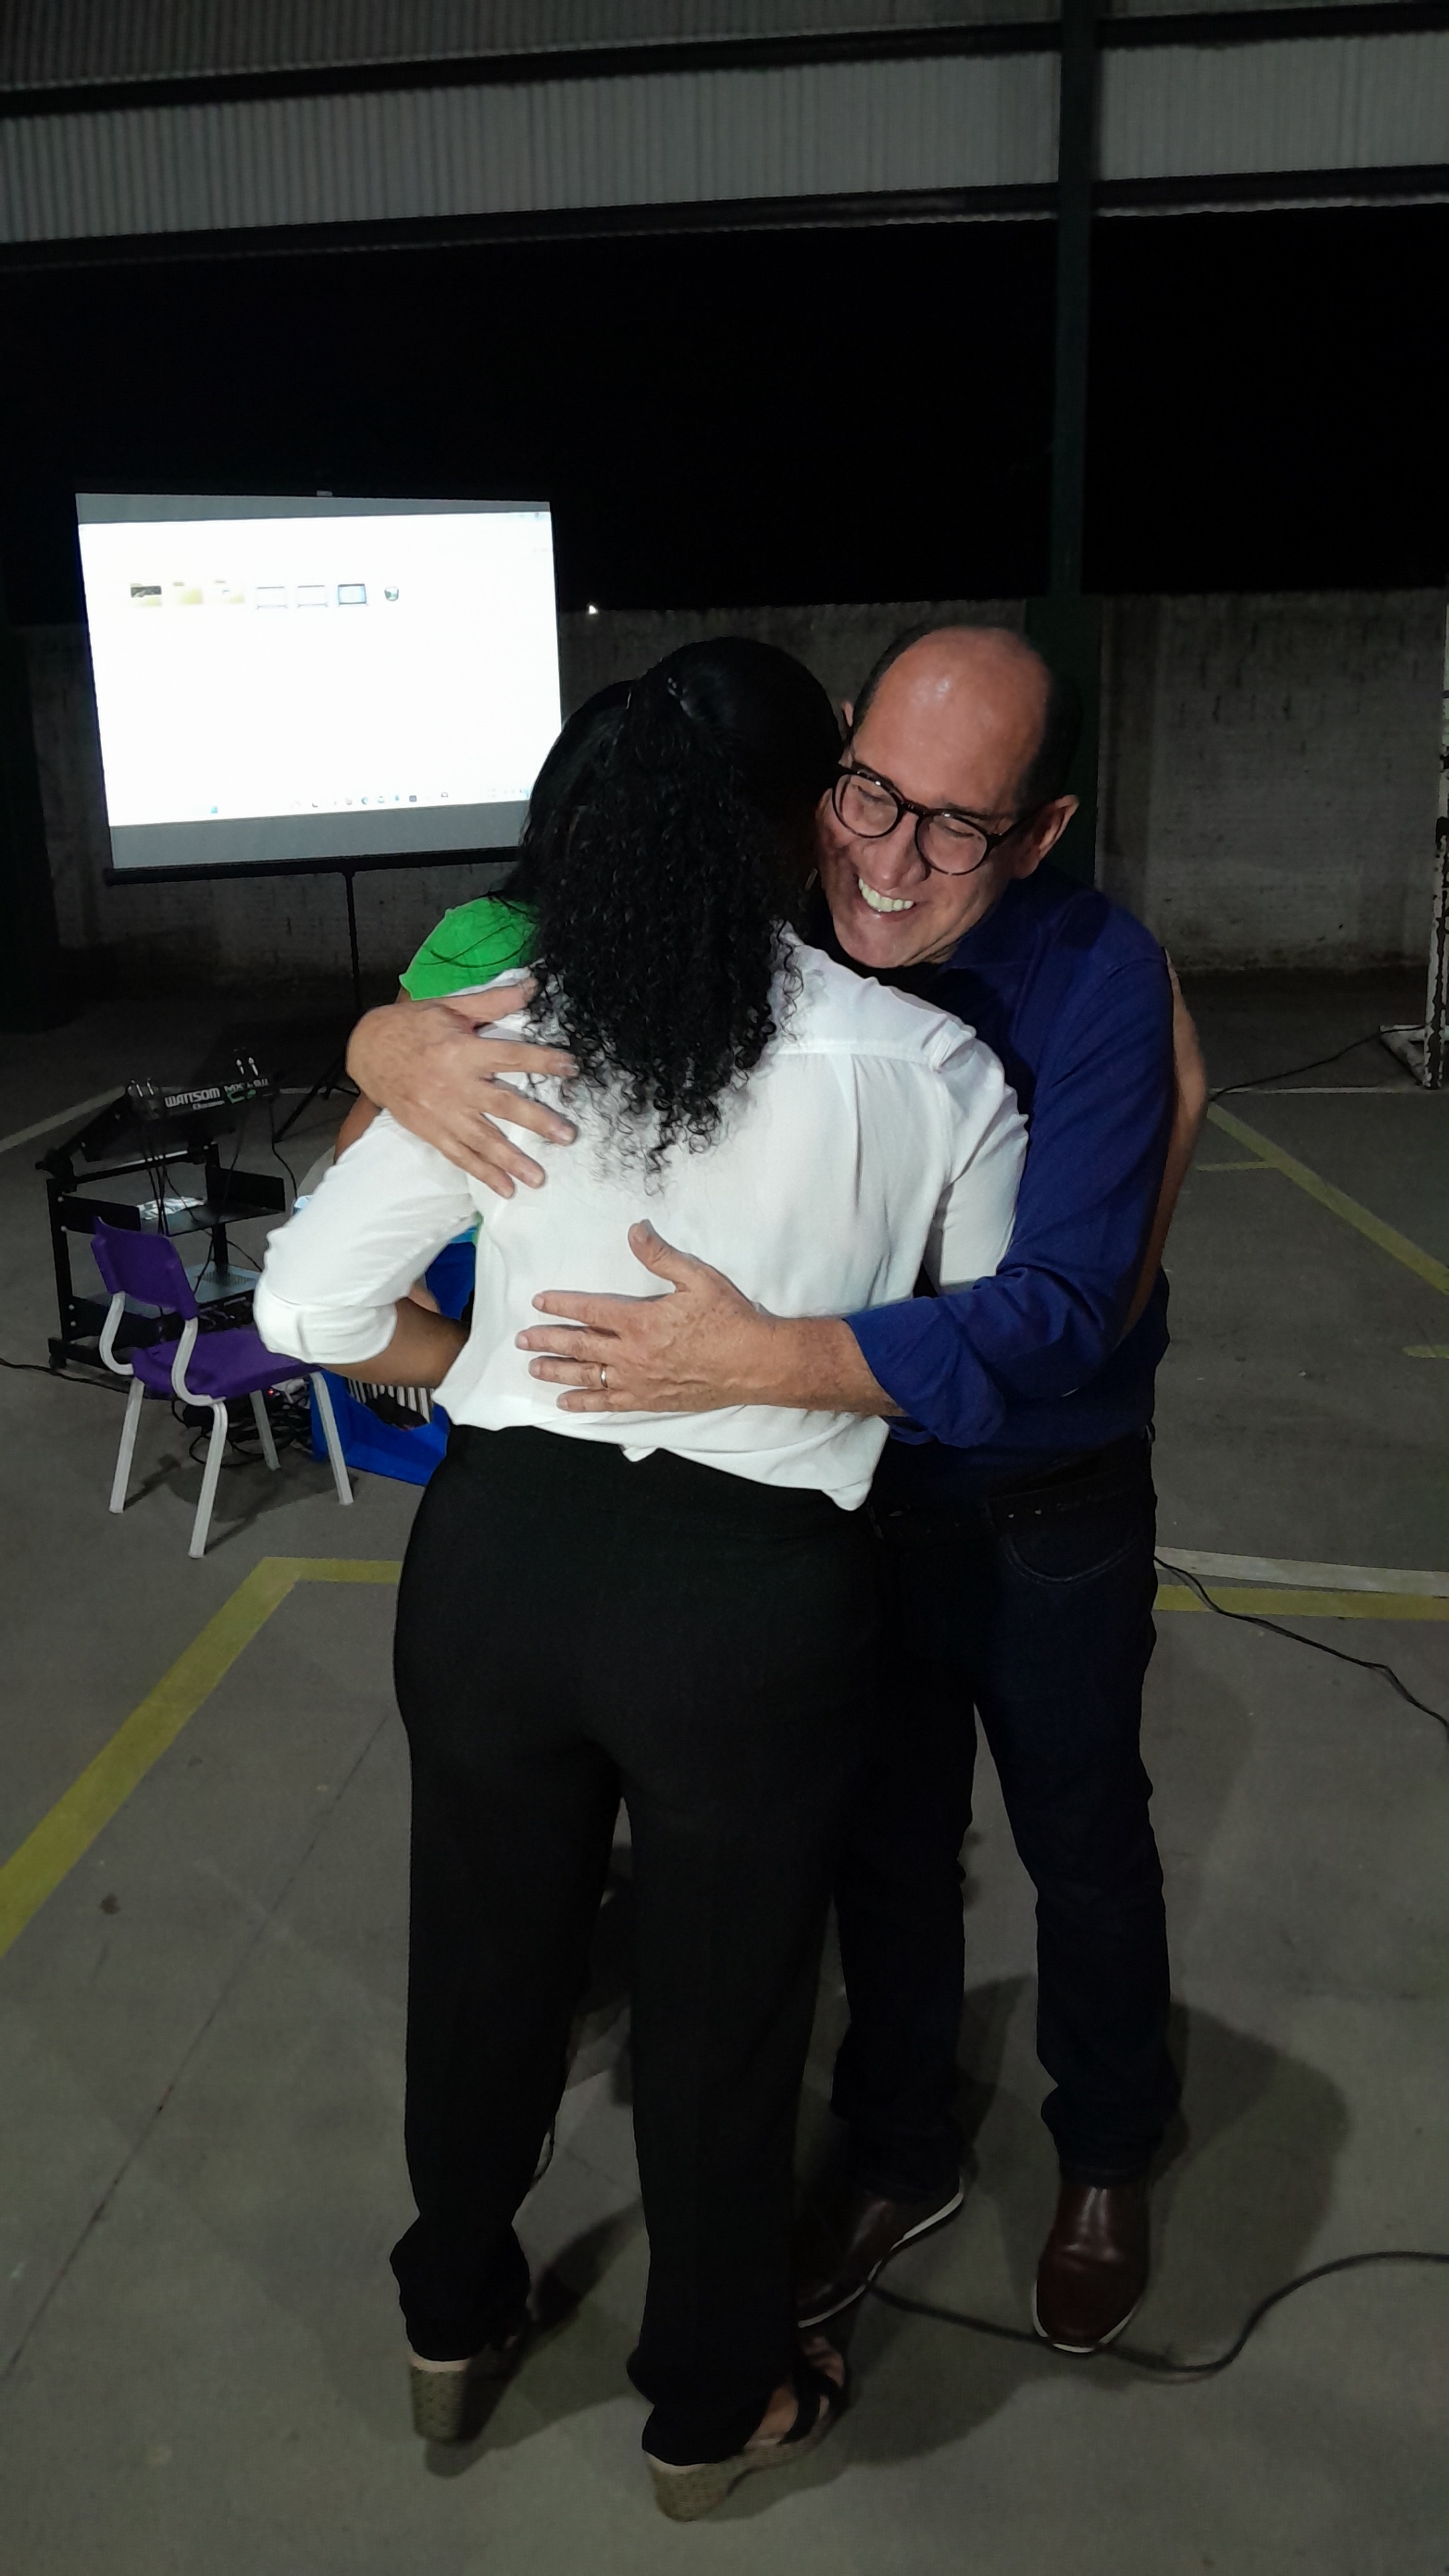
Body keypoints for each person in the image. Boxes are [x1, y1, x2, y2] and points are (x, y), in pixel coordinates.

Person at [347, 622, 1208, 2362]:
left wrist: (763, 1358)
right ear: (833, 767)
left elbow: (1055, 1318)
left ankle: (1107, 2148)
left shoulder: (1097, 976)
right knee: (882, 1848)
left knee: (1080, 1838)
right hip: (829, 1513)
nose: (890, 860)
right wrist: (384, 1045)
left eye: (954, 825)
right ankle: (897, 2151)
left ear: (1038, 831)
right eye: (868, 795)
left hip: (1036, 1507)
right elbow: (528, 974)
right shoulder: (778, 926)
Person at [255, 638, 1027, 2517]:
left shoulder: (499, 1037)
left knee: (484, 1960)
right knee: (725, 2018)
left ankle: (452, 2321)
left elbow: (306, 1309)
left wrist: (485, 1370)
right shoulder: (930, 1068)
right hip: (753, 1600)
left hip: (497, 1570)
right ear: (808, 822)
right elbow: (972, 1359)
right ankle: (706, 2406)